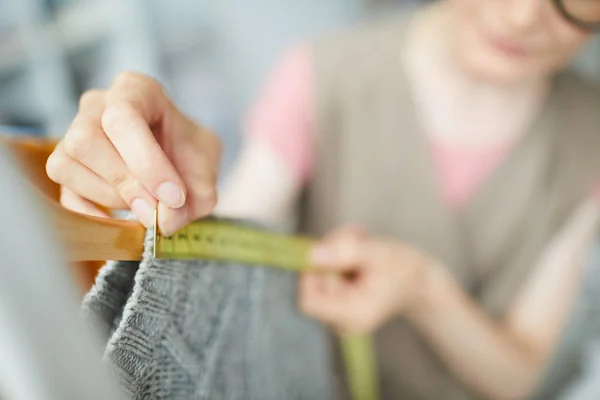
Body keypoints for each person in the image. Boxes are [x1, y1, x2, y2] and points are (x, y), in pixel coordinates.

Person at [45, 0, 600, 399]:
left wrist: (422, 287)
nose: (525, 14)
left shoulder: (591, 140)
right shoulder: (321, 74)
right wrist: (172, 190)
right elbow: (217, 270)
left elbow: (517, 379)